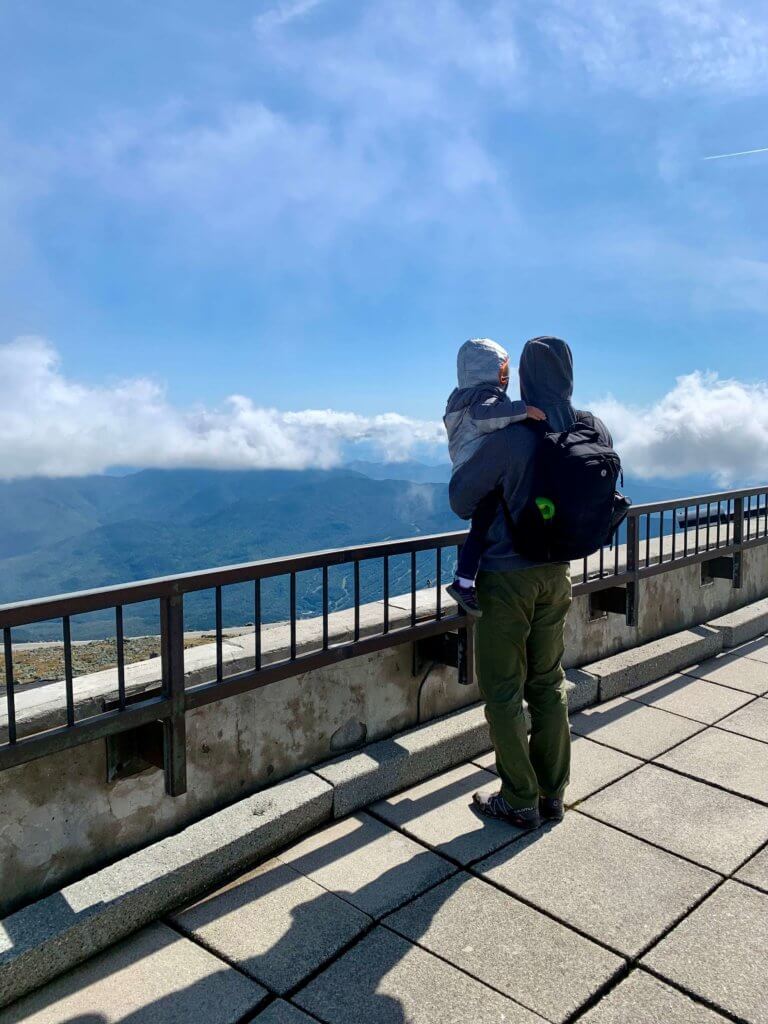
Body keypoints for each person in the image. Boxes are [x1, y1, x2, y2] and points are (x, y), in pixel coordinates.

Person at [449, 336, 610, 829]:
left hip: (505, 577)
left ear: (522, 378)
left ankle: (519, 797)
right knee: (549, 682)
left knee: (503, 689)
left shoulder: (512, 435)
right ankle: (553, 793)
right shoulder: (589, 425)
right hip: (557, 573)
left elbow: (461, 498)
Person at [444, 338, 545, 617]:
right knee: (483, 525)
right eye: (503, 371)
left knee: (481, 527)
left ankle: (464, 581)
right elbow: (489, 418)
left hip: (471, 469)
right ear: (490, 372)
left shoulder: (461, 400)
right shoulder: (479, 401)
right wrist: (523, 410)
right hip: (475, 470)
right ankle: (463, 582)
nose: (507, 378)